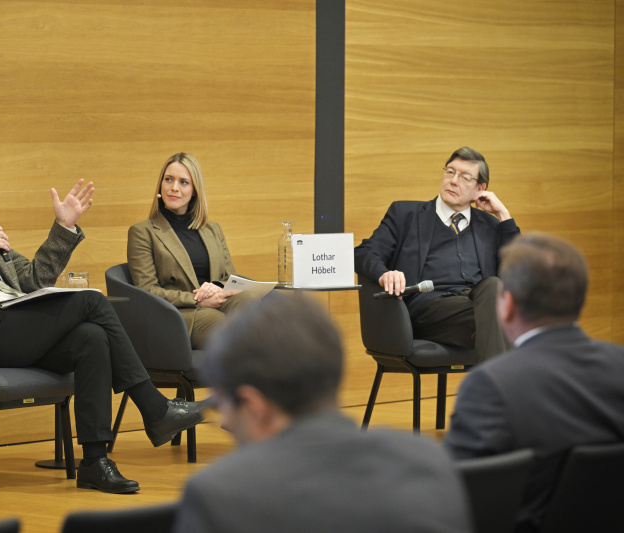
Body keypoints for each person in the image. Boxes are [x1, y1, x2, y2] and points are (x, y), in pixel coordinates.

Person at [0, 140, 206, 494]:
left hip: (16, 327)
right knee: (92, 301)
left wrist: (63, 226)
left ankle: (94, 462)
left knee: (92, 338)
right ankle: (154, 407)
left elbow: (32, 279)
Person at [172, 293, 473, 533]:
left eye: (222, 406)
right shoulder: (426, 463)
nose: (225, 420)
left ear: (254, 406)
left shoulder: (220, 496)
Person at [443, 233, 624, 532]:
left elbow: (455, 494)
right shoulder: (619, 366)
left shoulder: (491, 384)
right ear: (579, 300)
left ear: (508, 305)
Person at [354, 146, 521, 361]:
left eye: (465, 178)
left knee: (493, 290)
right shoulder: (405, 215)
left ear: (480, 189)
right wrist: (384, 274)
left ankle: (497, 380)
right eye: (450, 172)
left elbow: (519, 274)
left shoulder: (490, 225)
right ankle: (509, 379)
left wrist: (504, 216)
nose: (453, 181)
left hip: (477, 308)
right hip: (428, 310)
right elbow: (364, 252)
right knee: (507, 319)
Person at [127, 152, 260, 349]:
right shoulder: (142, 232)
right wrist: (197, 300)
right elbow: (147, 290)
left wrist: (215, 287)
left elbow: (229, 277)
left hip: (216, 301)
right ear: (160, 185)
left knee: (251, 301)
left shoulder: (213, 229)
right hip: (179, 312)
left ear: (195, 190)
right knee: (221, 323)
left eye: (183, 182)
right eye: (168, 179)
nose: (174, 187)